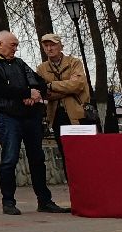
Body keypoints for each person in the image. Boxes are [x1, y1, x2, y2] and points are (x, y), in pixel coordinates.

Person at [0, 31, 70, 216]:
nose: (16, 48)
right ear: (0, 44)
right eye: (13, 44)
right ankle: (8, 202)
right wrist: (26, 93)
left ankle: (44, 201)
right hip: (8, 117)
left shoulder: (20, 63)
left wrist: (34, 94)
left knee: (37, 159)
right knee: (9, 159)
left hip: (30, 117)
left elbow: (40, 82)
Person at [36, 32, 91, 176]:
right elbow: (44, 92)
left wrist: (51, 85)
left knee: (84, 150)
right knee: (66, 152)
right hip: (57, 116)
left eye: (52, 44)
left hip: (78, 114)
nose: (49, 48)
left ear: (60, 46)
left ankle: (90, 180)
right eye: (46, 45)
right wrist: (67, 89)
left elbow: (78, 85)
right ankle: (72, 184)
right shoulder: (41, 69)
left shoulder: (74, 62)